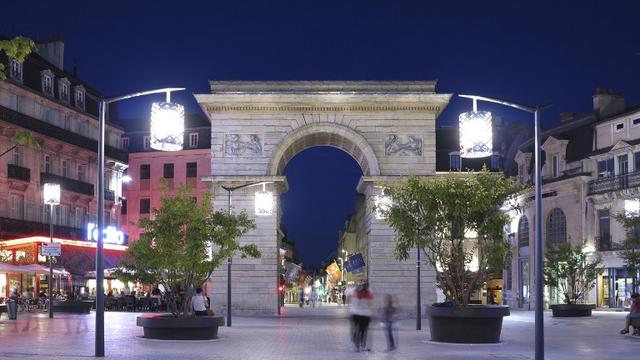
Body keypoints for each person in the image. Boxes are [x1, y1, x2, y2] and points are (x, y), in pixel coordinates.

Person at [347, 281, 374, 352]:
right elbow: (370, 304)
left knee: (358, 330)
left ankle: (357, 345)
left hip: (357, 314)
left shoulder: (354, 292)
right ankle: (361, 344)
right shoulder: (369, 293)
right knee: (363, 331)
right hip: (365, 315)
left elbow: (350, 301)